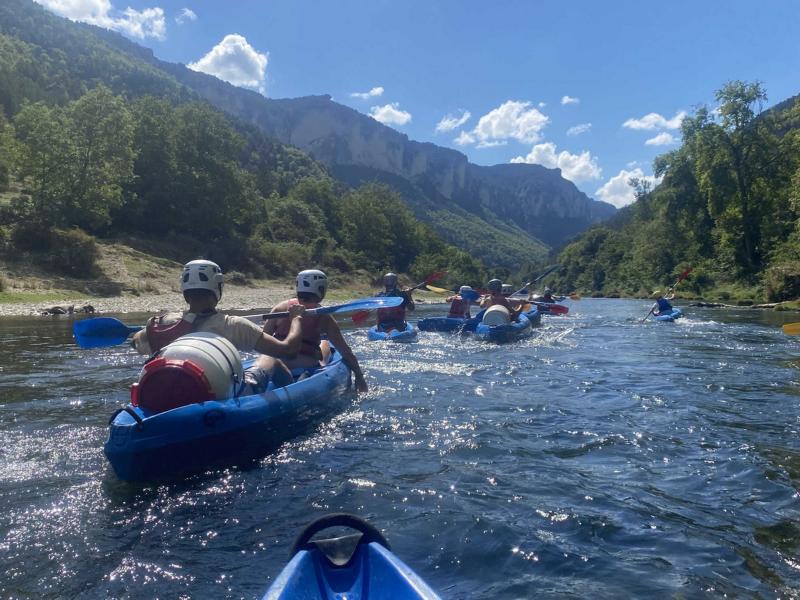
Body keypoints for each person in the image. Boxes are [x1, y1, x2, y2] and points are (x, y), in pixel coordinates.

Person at [132, 259, 305, 391]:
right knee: (271, 359)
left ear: (185, 290)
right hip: (217, 394)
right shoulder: (233, 326)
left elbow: (136, 342)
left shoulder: (160, 322)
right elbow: (288, 351)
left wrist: (140, 334)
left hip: (168, 389)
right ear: (217, 288)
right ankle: (295, 395)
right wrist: (296, 318)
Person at [263, 269, 368, 393]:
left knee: (324, 343)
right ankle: (304, 378)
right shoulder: (324, 317)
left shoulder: (279, 308)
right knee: (325, 344)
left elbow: (262, 340)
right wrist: (359, 376)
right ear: (321, 289)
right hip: (305, 368)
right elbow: (345, 351)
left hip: (275, 366)